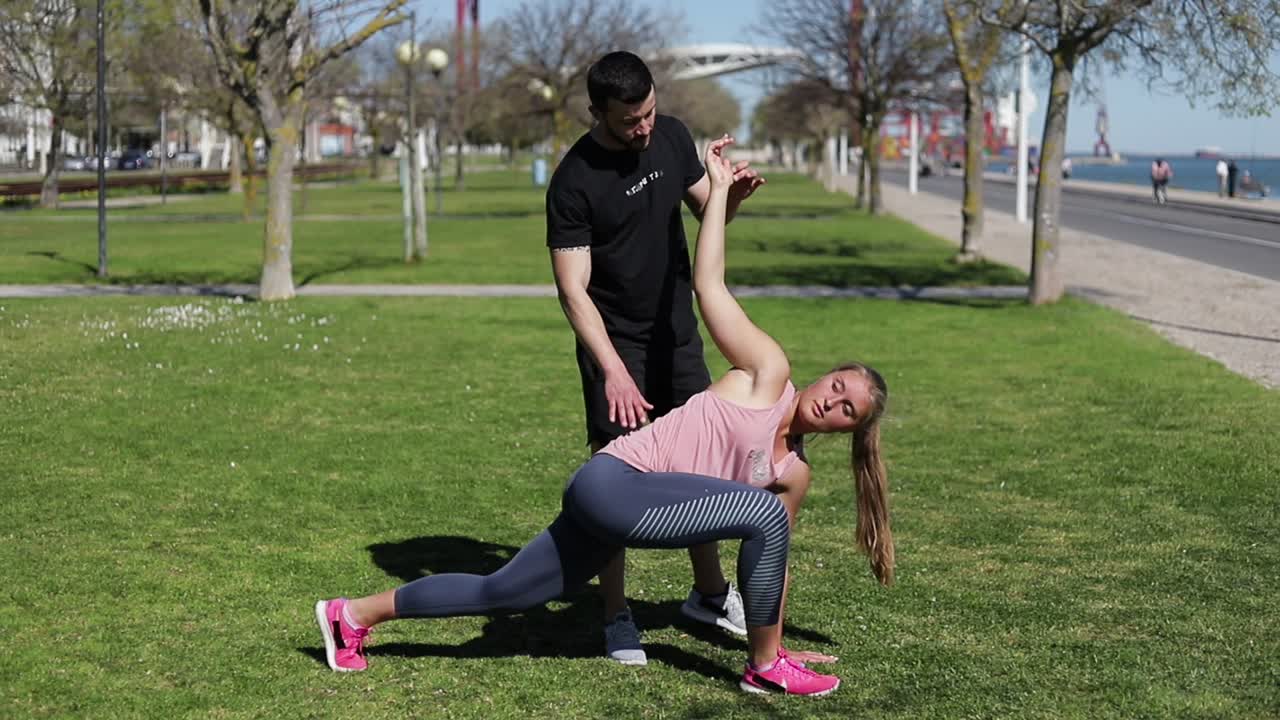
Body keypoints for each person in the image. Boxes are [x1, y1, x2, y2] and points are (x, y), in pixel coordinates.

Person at [314, 137, 894, 697]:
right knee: (761, 514)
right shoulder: (767, 372)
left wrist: (781, 631)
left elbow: (774, 565)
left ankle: (350, 616)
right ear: (825, 374)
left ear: (851, 431)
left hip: (624, 510)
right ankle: (764, 668)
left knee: (505, 592)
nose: (832, 402)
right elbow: (708, 283)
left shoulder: (792, 473)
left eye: (848, 410)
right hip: (612, 482)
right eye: (837, 386)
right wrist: (716, 192)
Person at [543, 51, 764, 665]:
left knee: (699, 466)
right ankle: (616, 613)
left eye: (648, 112)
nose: (643, 128)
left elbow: (704, 211)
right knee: (615, 482)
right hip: (616, 346)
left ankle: (710, 593)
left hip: (677, 336)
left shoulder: (669, 136)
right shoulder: (574, 181)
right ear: (598, 113)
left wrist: (730, 194)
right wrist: (612, 367)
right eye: (629, 120)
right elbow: (572, 289)